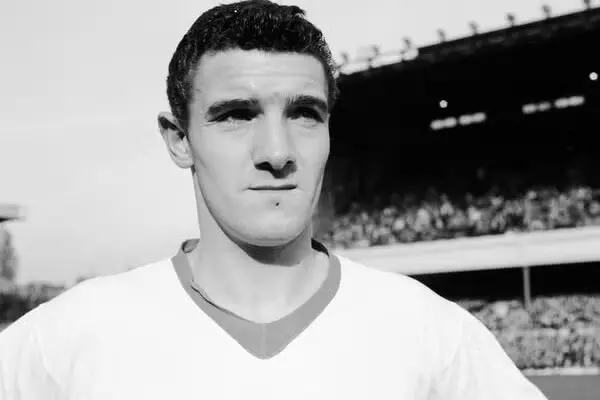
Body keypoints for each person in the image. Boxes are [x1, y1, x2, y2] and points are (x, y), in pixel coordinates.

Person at [0, 1, 548, 399]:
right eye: (236, 115)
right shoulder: (64, 342)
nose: (278, 152)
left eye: (305, 114)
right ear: (179, 140)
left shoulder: (435, 336)